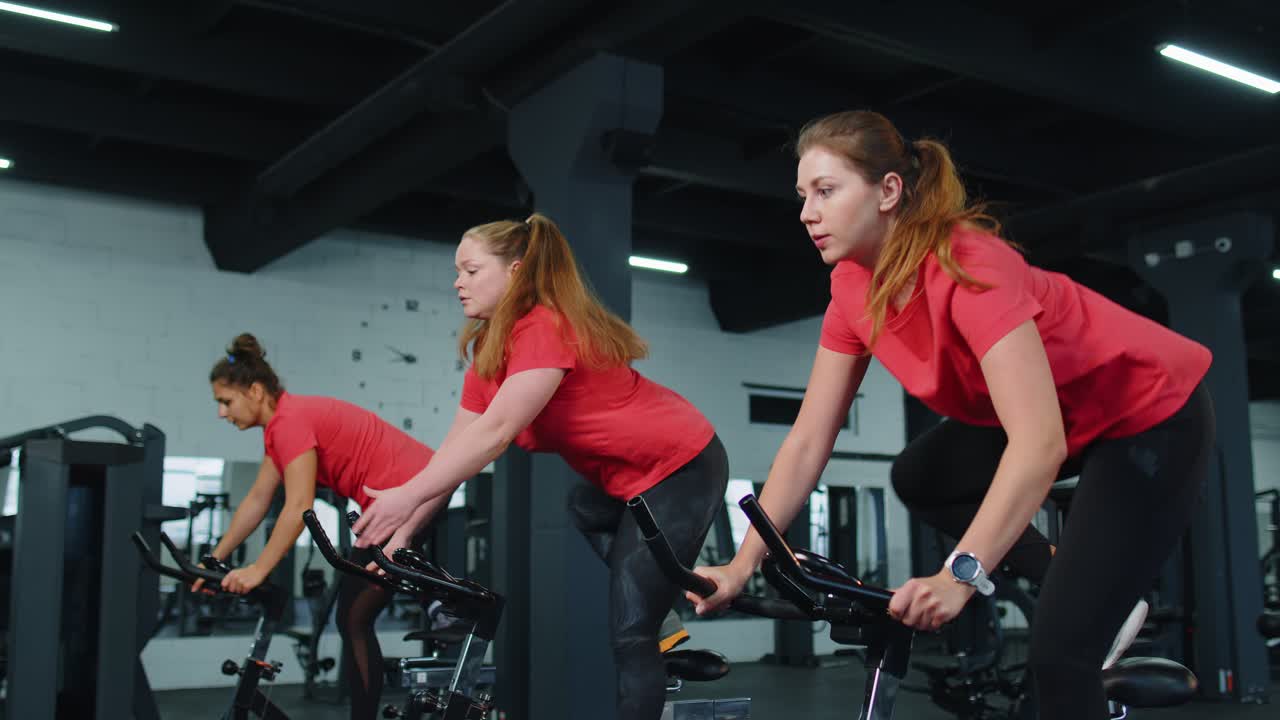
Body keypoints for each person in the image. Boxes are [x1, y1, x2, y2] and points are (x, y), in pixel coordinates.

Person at [688, 110, 1214, 720]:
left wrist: (959, 575)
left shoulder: (968, 266)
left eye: (825, 191)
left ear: (888, 191)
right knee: (922, 475)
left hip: (1146, 411)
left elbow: (1038, 443)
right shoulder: (853, 291)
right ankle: (1083, 589)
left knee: (1061, 657)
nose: (807, 212)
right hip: (1063, 416)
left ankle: (1094, 605)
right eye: (803, 195)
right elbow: (808, 440)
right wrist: (742, 564)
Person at [350, 213, 728, 720]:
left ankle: (655, 623)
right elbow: (455, 454)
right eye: (457, 272)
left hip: (681, 463)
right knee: (583, 505)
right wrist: (402, 538)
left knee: (629, 632)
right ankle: (663, 602)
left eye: (470, 270)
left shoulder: (543, 326)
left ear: (515, 272)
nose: (457, 282)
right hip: (624, 482)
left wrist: (405, 496)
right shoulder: (490, 351)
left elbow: (496, 432)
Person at [201, 333, 450, 720]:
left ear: (255, 391)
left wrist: (258, 569)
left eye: (226, 401)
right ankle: (440, 603)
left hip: (406, 493)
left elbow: (299, 506)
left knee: (353, 618)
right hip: (403, 495)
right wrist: (214, 558)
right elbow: (257, 500)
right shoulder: (281, 427)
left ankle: (445, 605)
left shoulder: (290, 423)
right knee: (352, 616)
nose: (221, 412)